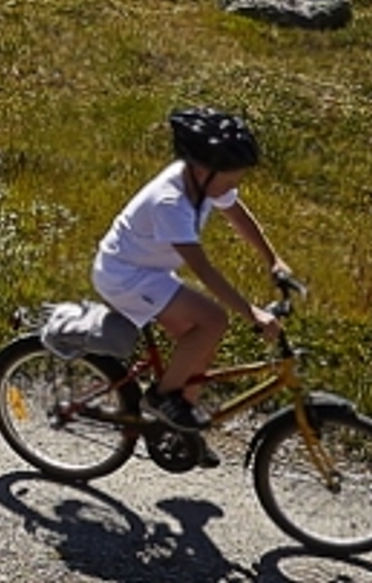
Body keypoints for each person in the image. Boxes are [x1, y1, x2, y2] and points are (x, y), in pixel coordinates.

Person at [95, 105, 297, 431]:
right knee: (213, 320)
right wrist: (252, 313)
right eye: (232, 176)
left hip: (150, 271)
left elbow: (237, 215)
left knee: (198, 344)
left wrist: (272, 258)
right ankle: (161, 400)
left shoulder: (202, 181)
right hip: (126, 275)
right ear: (203, 171)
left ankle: (180, 425)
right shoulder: (171, 201)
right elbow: (203, 269)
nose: (236, 182)